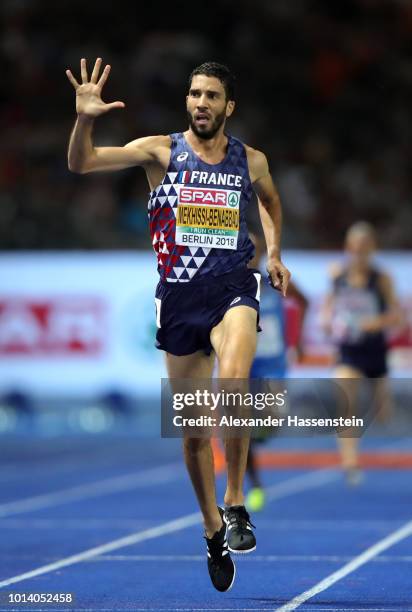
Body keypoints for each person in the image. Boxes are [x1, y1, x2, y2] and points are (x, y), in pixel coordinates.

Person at [66, 58, 290, 592]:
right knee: (194, 436)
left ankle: (235, 501)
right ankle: (212, 529)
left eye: (212, 95)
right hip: (179, 302)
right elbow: (82, 163)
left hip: (233, 287)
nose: (201, 103)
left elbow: (271, 203)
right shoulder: (160, 151)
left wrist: (275, 252)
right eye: (194, 94)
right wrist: (84, 119)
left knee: (233, 386)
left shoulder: (250, 160)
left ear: (228, 106)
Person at [321, 222, 401, 484]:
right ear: (347, 249)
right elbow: (328, 306)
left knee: (382, 413)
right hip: (349, 351)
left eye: (364, 249)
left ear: (372, 249)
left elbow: (397, 315)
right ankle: (350, 462)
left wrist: (374, 323)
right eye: (354, 249)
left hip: (375, 352)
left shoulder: (381, 279)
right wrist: (326, 321)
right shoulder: (337, 276)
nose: (358, 254)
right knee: (346, 397)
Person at [246, 232, 308, 511]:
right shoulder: (227, 284)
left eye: (254, 250)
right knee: (238, 429)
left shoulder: (272, 279)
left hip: (272, 365)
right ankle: (255, 485)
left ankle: (259, 434)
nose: (249, 255)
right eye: (245, 249)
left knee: (272, 420)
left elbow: (303, 301)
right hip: (242, 365)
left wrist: (298, 339)